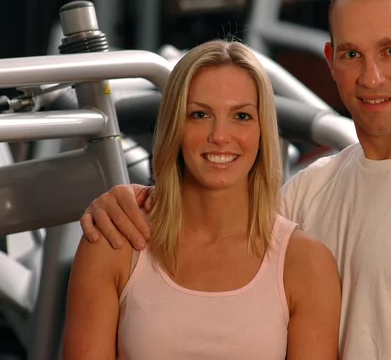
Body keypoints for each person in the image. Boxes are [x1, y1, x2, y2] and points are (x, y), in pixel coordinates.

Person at [79, 0, 391, 359]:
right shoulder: (313, 189)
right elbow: (218, 223)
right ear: (330, 61)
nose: (370, 76)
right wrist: (129, 200)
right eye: (351, 54)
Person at [62, 39, 342, 360]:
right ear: (174, 127)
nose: (220, 136)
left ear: (263, 131)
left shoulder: (306, 265)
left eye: (241, 116)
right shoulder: (114, 241)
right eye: (199, 114)